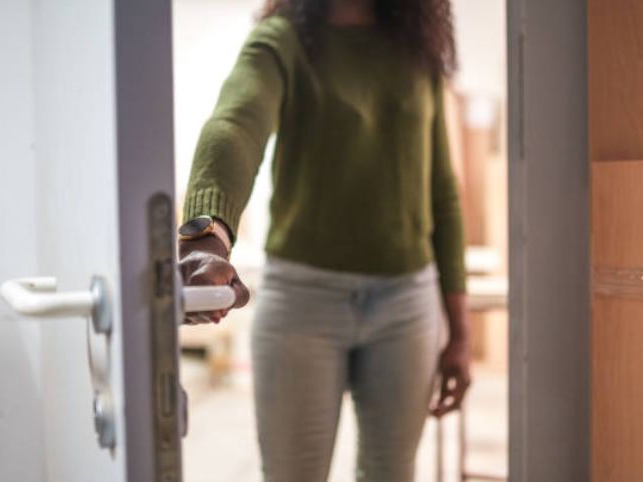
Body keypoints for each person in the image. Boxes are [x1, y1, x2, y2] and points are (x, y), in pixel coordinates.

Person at [177, 0, 471, 480]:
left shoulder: (418, 50)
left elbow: (443, 193)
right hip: (302, 298)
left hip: (405, 302)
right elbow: (236, 124)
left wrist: (460, 333)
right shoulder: (283, 40)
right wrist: (205, 237)